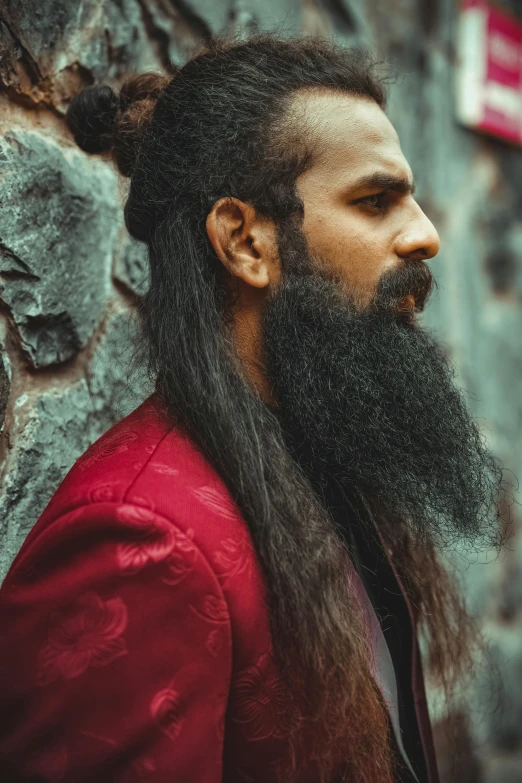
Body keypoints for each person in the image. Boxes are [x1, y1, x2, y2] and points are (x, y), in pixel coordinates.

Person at [0, 34, 509, 783]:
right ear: (244, 241)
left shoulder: (320, 461)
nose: (426, 233)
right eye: (375, 200)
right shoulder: (141, 539)